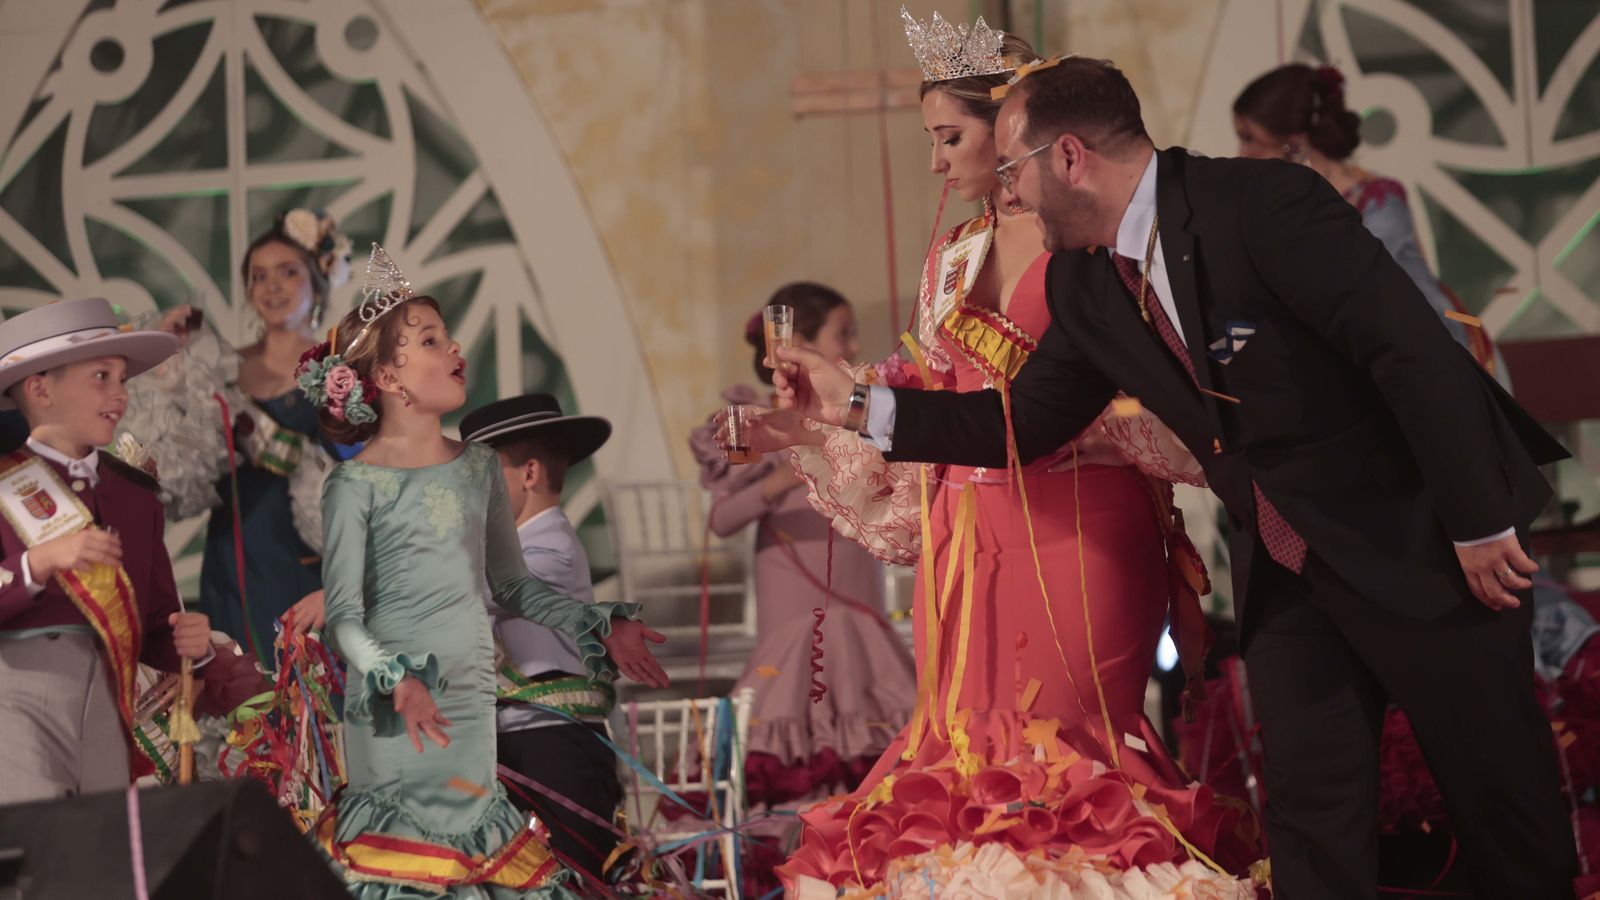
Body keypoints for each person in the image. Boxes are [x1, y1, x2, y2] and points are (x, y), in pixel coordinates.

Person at [762, 55, 1578, 898]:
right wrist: (853, 405)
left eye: (1013, 169)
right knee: (1309, 812)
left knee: (1500, 802)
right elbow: (1021, 422)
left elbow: (1411, 354)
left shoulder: (1263, 206)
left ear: (1070, 157)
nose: (1008, 194)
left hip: (1421, 537)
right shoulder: (1085, 278)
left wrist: (1477, 523)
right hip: (1289, 565)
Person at [769, 16, 1256, 897]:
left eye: (949, 137)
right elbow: (928, 374)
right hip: (966, 523)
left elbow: (1141, 380)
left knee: (1067, 751)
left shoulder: (1092, 242)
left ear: (1013, 129)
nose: (935, 163)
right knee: (960, 752)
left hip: (1079, 516)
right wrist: (834, 396)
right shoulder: (954, 257)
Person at [303, 244, 669, 897]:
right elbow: (348, 622)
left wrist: (597, 622)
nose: (454, 349)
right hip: (396, 709)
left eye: (446, 336)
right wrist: (396, 680)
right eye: (429, 340)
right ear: (389, 377)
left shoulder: (477, 470)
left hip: (471, 717)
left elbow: (515, 586)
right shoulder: (354, 484)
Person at [688, 283, 915, 809]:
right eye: (843, 334)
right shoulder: (759, 419)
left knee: (875, 744)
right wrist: (793, 460)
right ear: (797, 344)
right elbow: (722, 518)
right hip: (794, 604)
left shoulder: (858, 412)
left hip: (859, 598)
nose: (854, 346)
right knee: (797, 732)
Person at [0, 297, 213, 804]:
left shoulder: (136, 498)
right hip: (15, 688)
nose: (120, 395)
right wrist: (42, 561)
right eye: (102, 377)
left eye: (122, 380)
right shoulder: (5, 484)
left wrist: (192, 643)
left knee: (103, 849)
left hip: (110, 696)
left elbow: (155, 620)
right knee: (31, 849)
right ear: (40, 389)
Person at [1232, 63, 1509, 387]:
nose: (1241, 153)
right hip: (1364, 357)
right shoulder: (1286, 209)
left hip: (1439, 356)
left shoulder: (1381, 200)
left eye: (1250, 138)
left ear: (1294, 143)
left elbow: (1349, 285)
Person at [457, 393, 624, 879]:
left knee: (567, 879)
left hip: (557, 751)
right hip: (521, 749)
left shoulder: (550, 548)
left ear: (528, 474)